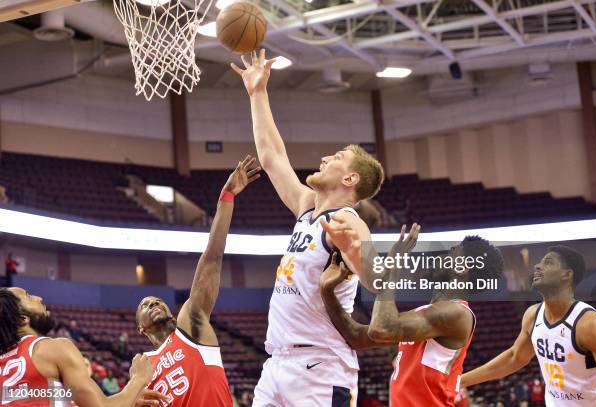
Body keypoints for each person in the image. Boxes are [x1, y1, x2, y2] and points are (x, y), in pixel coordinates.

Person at [231, 49, 385, 406]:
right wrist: (257, 93)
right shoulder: (306, 209)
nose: (324, 159)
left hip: (321, 365)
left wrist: (357, 252)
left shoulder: (348, 220)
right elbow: (272, 157)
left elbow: (377, 280)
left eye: (336, 158)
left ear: (350, 178)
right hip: (277, 364)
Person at [319, 224, 504, 407]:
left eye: (453, 252)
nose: (442, 255)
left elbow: (380, 329)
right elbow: (356, 337)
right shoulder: (429, 316)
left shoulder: (456, 314)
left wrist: (393, 265)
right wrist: (327, 291)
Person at [135, 156, 261, 407]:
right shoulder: (141, 367)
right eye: (145, 305)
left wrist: (226, 199)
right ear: (141, 328)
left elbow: (212, 258)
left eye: (157, 301)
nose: (153, 304)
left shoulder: (189, 325)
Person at [461, 246, 596, 406]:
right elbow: (514, 358)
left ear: (567, 275)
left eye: (548, 262)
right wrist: (459, 381)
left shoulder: (589, 324)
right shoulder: (532, 315)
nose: (537, 266)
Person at [0, 287, 162, 406]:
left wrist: (127, 399)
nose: (39, 298)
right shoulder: (52, 348)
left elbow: (41, 396)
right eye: (28, 296)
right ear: (22, 319)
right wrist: (138, 379)